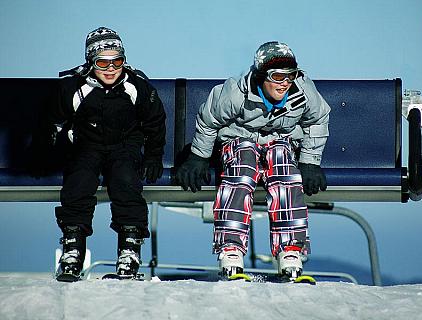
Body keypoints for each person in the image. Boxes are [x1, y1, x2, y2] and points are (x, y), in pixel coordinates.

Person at [176, 41, 330, 280]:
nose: (285, 82)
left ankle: (290, 250)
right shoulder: (237, 93)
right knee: (242, 171)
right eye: (278, 76)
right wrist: (199, 157)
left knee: (284, 171)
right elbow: (209, 121)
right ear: (261, 76)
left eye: (291, 75)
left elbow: (318, 120)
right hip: (239, 140)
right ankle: (231, 248)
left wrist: (310, 162)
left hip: (280, 141)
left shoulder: (301, 90)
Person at [31, 27, 166, 281]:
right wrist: (43, 150)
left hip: (124, 146)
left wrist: (153, 156)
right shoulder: (73, 88)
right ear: (90, 61)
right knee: (79, 181)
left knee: (125, 180)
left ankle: (129, 246)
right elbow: (53, 121)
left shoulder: (137, 87)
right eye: (102, 62)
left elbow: (155, 122)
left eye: (117, 61)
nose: (111, 68)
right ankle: (73, 246)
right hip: (86, 146)